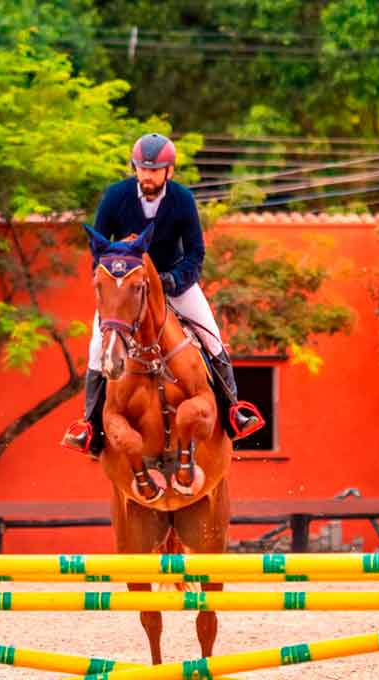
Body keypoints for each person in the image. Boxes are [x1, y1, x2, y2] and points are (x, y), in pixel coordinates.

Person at [61, 132, 265, 458]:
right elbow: (98, 248)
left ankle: (234, 412)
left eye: (154, 170)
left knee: (212, 337)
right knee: (99, 349)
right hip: (126, 289)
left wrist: (172, 280)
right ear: (135, 168)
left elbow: (196, 253)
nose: (147, 175)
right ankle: (89, 428)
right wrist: (112, 284)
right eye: (142, 169)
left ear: (168, 172)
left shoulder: (182, 200)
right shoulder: (115, 196)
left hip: (174, 283)